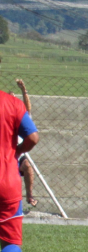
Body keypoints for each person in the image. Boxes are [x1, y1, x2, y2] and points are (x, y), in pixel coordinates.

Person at [0, 80, 39, 252]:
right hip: (7, 181)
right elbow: (33, 137)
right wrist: (14, 152)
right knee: (12, 244)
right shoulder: (12, 104)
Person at [16, 79, 35, 211]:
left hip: (18, 154)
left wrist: (24, 91)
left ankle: (29, 196)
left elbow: (27, 109)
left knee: (28, 166)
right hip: (4, 154)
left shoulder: (20, 116)